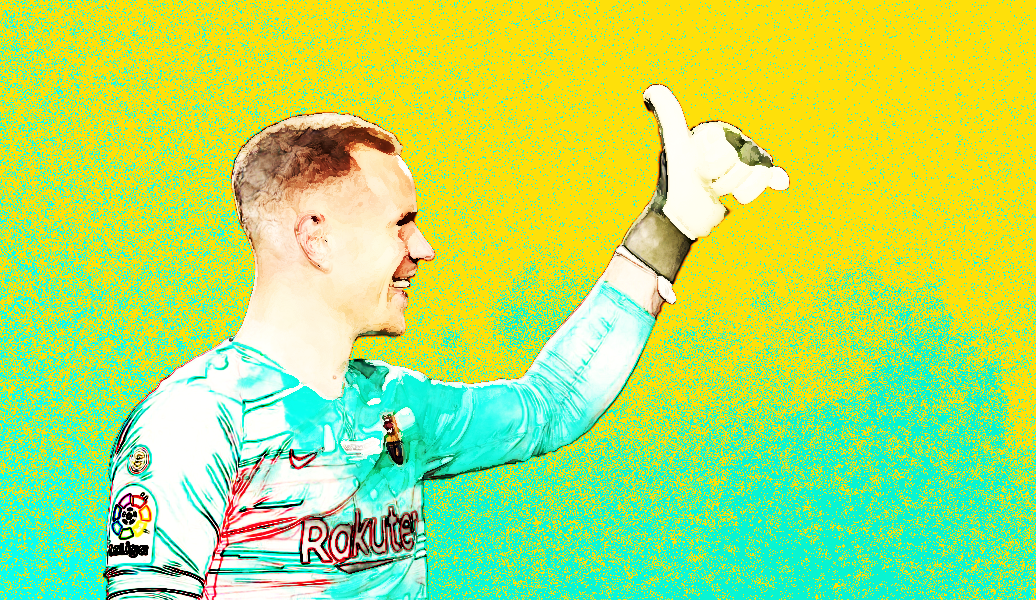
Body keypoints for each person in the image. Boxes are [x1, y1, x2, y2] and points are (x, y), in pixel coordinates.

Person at [102, 85, 789, 599]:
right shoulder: (196, 420)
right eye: (401, 223)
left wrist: (671, 226)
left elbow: (550, 406)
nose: (423, 247)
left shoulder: (395, 408)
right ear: (316, 237)